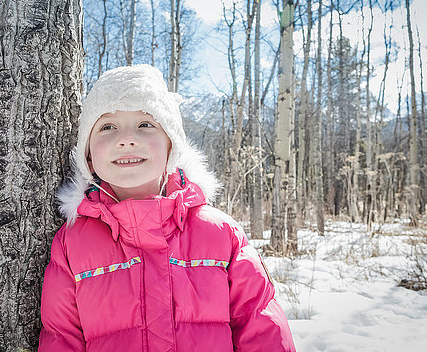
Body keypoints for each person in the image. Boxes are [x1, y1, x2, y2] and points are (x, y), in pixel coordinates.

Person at [38, 64, 296, 351]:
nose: (126, 139)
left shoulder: (222, 234)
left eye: (145, 124)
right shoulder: (72, 244)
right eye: (107, 127)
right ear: (87, 154)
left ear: (171, 145)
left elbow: (261, 327)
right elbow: (61, 338)